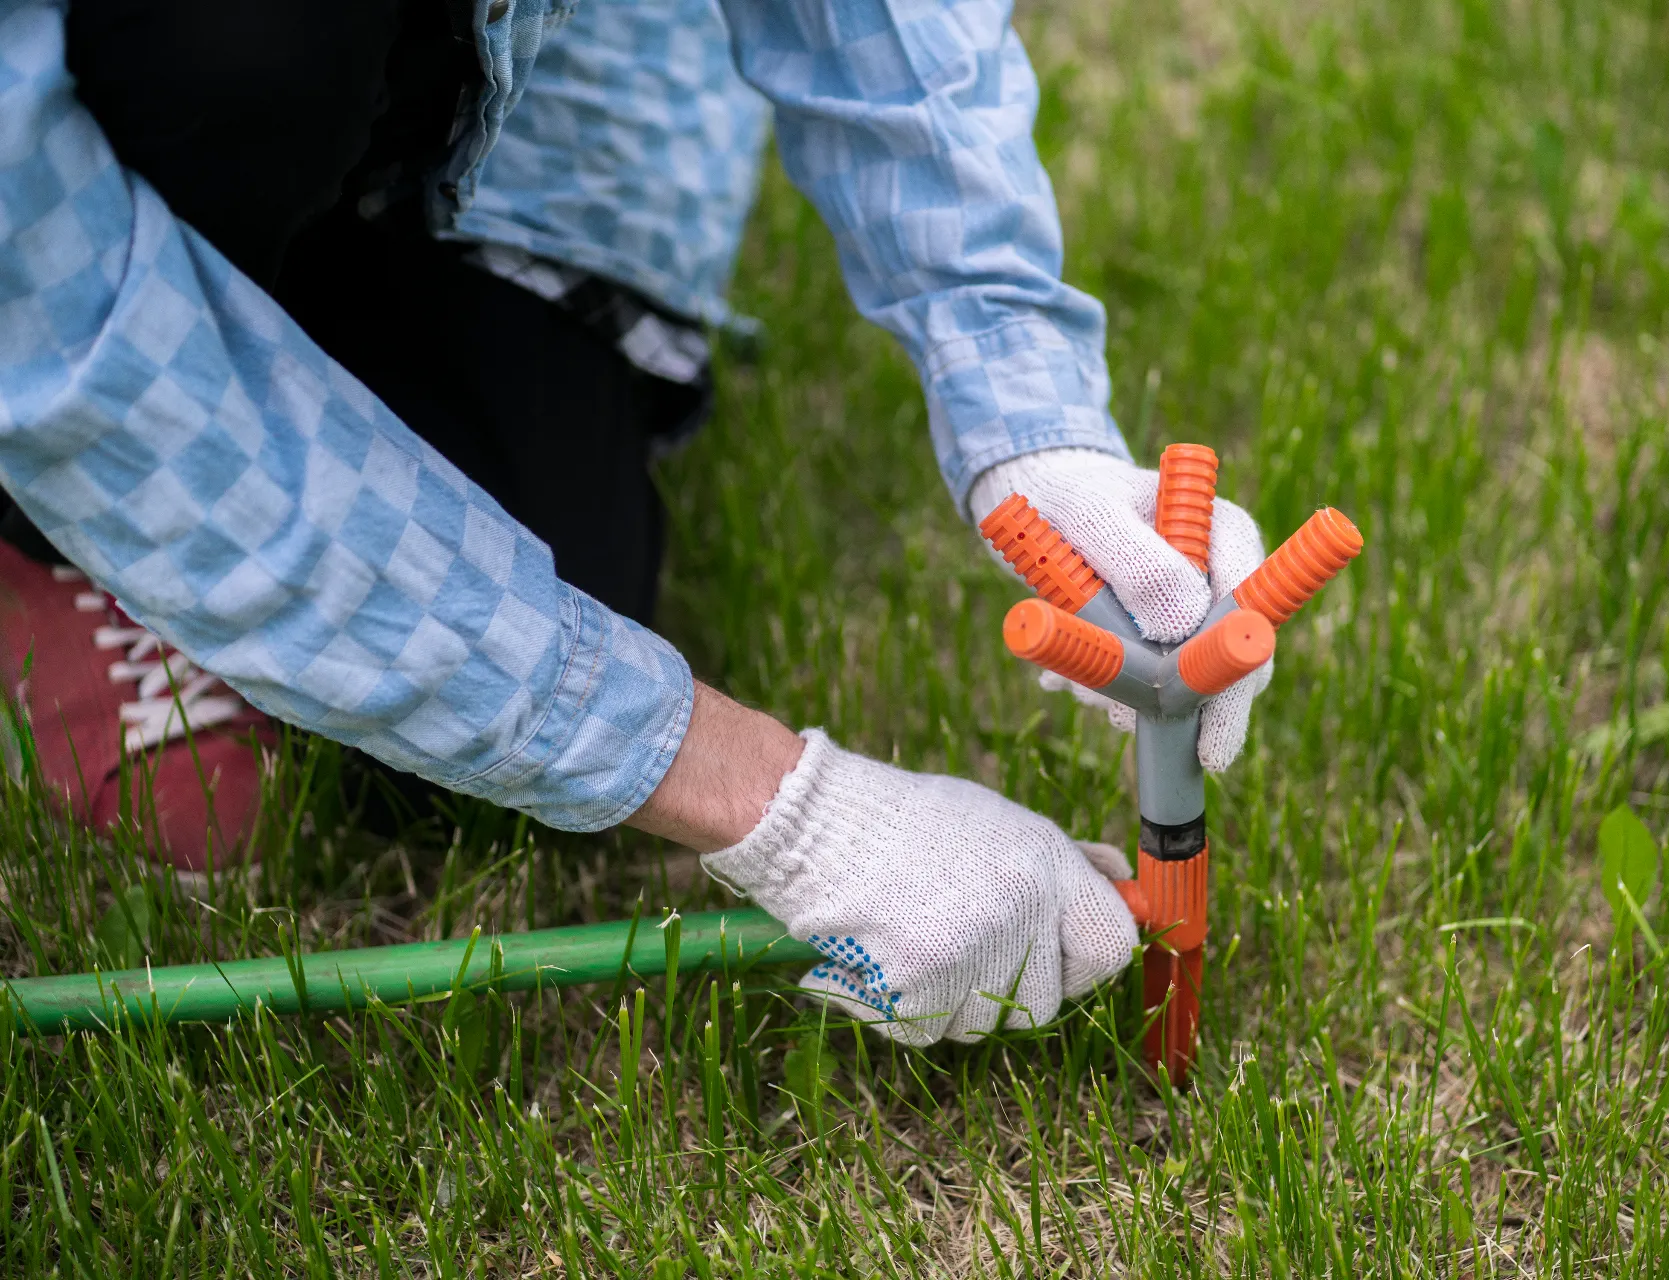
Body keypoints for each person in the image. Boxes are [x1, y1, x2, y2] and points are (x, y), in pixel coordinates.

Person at [0, 0, 1271, 1044]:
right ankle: (41, 534)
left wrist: (1026, 417)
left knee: (522, 619)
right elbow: (59, 327)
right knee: (251, 44)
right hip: (74, 218)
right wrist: (785, 808)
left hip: (491, 91)